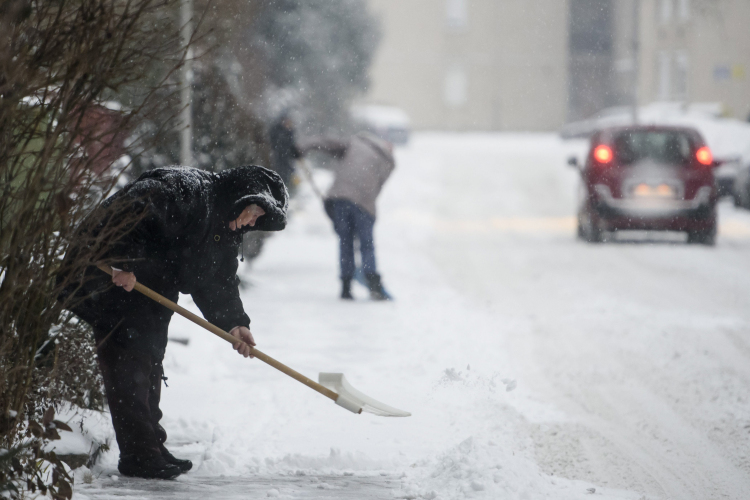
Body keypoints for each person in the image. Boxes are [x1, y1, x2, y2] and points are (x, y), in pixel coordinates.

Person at [59, 165, 288, 480]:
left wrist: (235, 323)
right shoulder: (186, 190)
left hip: (152, 283)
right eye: (254, 213)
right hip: (108, 275)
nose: (253, 222)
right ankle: (140, 455)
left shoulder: (224, 227)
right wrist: (121, 262)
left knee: (150, 356)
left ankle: (151, 446)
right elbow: (128, 212)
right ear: (240, 198)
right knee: (130, 362)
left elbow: (217, 280)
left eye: (259, 219)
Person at [301, 132, 395, 300]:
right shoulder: (387, 161)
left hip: (340, 198)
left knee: (346, 242)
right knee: (366, 244)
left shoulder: (356, 143)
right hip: (364, 204)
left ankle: (346, 287)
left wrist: (304, 146)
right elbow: (376, 188)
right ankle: (373, 282)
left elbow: (328, 143)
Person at [268, 112, 301, 189]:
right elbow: (278, 145)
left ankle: (290, 190)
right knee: (282, 175)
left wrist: (295, 152)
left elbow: (292, 144)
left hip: (287, 160)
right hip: (279, 159)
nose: (288, 124)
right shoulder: (278, 132)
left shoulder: (290, 132)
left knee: (290, 174)